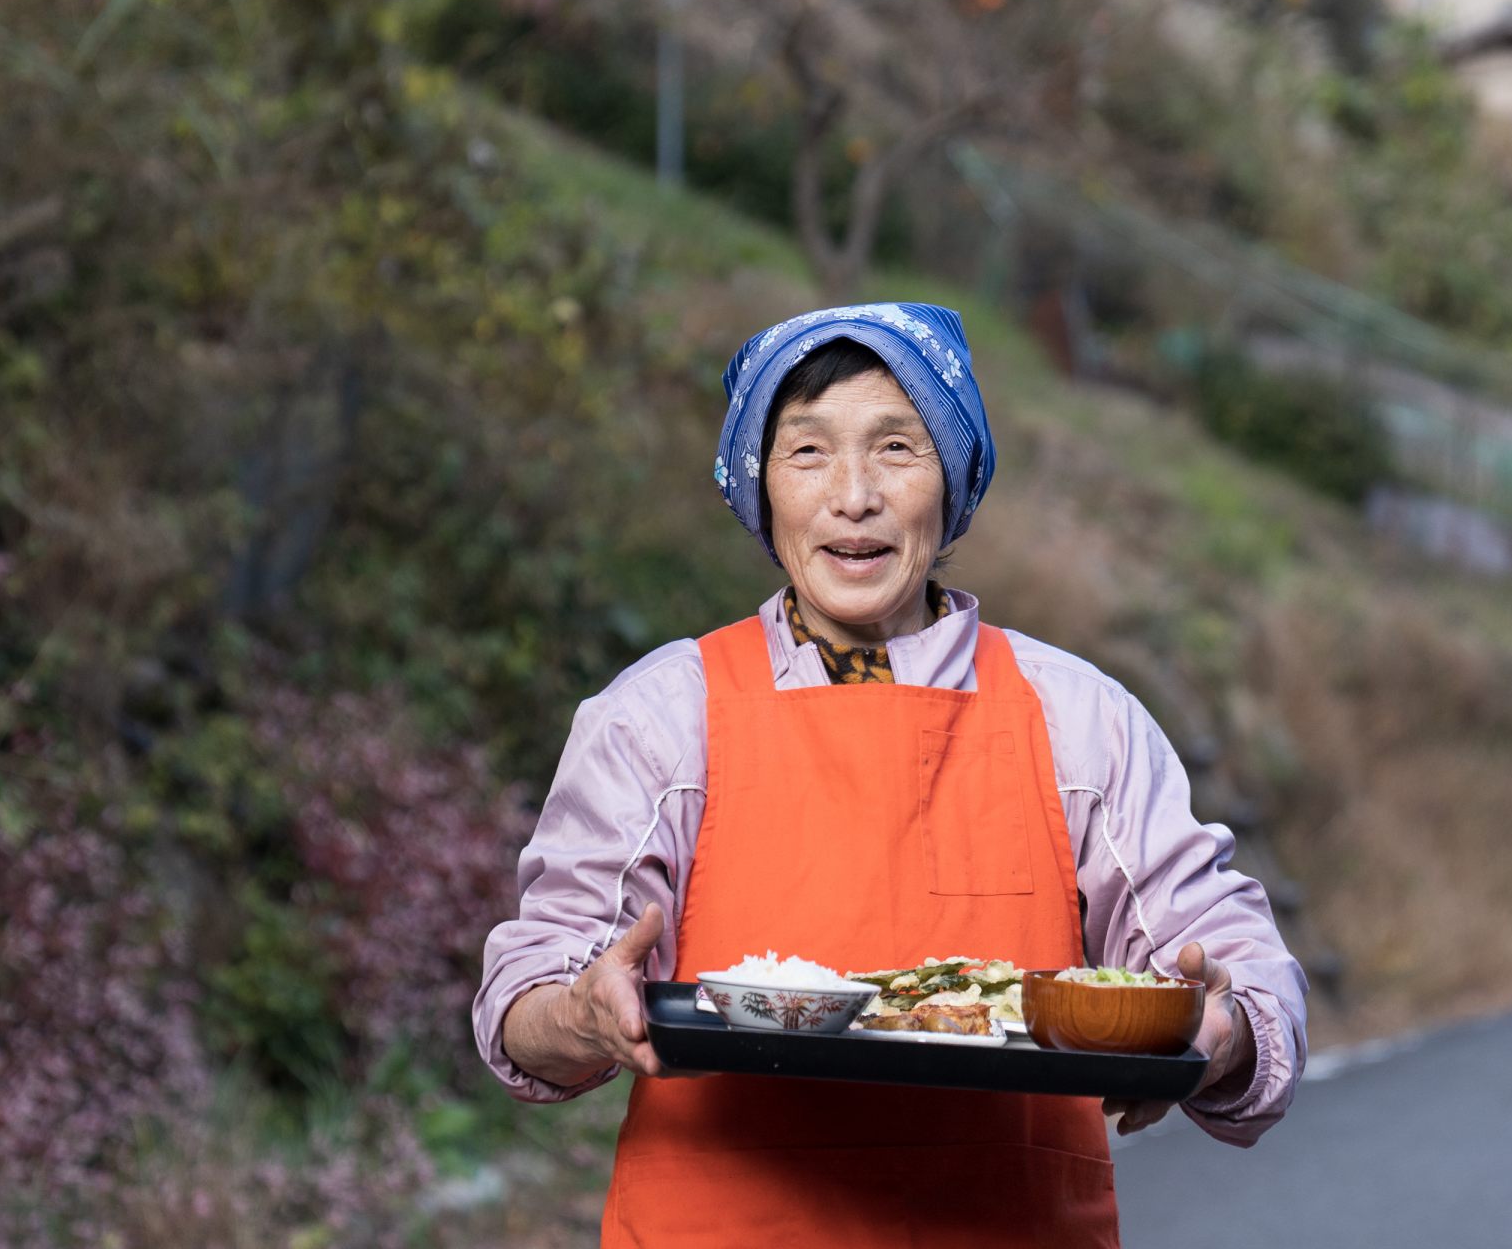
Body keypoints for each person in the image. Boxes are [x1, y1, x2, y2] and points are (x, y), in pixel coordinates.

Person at [474, 303, 1307, 1247]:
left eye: (897, 449)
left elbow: (1240, 978)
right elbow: (525, 1002)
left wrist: (1216, 1031)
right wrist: (583, 1012)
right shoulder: (661, 719)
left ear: (952, 484)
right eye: (809, 453)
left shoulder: (1078, 719)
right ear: (761, 490)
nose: (853, 495)